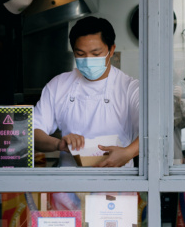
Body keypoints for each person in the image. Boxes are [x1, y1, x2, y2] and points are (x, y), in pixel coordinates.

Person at [33, 16, 139, 167]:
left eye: (96, 54)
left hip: (116, 185)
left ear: (111, 50)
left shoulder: (130, 88)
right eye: (81, 54)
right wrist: (59, 144)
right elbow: (33, 132)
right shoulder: (58, 85)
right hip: (70, 186)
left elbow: (154, 129)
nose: (88, 60)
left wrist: (128, 152)